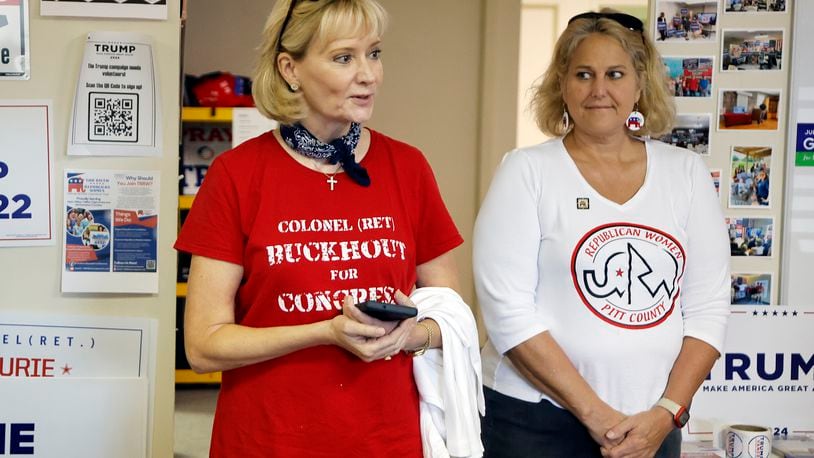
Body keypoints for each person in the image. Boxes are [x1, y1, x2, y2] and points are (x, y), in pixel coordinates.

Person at [174, 1, 472, 456]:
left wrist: (408, 335)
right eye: (343, 57)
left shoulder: (407, 167)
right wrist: (324, 331)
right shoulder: (236, 174)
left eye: (374, 53)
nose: (369, 74)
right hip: (266, 440)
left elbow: (450, 316)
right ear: (290, 68)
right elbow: (203, 345)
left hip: (387, 441)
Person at [474, 10, 730, 458]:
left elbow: (708, 308)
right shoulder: (526, 171)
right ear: (562, 84)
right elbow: (506, 312)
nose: (599, 90)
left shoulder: (685, 173)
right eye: (583, 74)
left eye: (615, 74)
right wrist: (598, 417)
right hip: (534, 422)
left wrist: (668, 412)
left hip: (652, 423)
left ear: (639, 84)